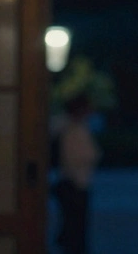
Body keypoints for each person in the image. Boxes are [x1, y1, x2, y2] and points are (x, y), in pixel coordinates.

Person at [56, 94, 100, 254]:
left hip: (79, 183)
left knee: (76, 227)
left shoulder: (77, 128)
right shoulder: (72, 129)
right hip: (74, 183)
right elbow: (78, 157)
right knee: (74, 228)